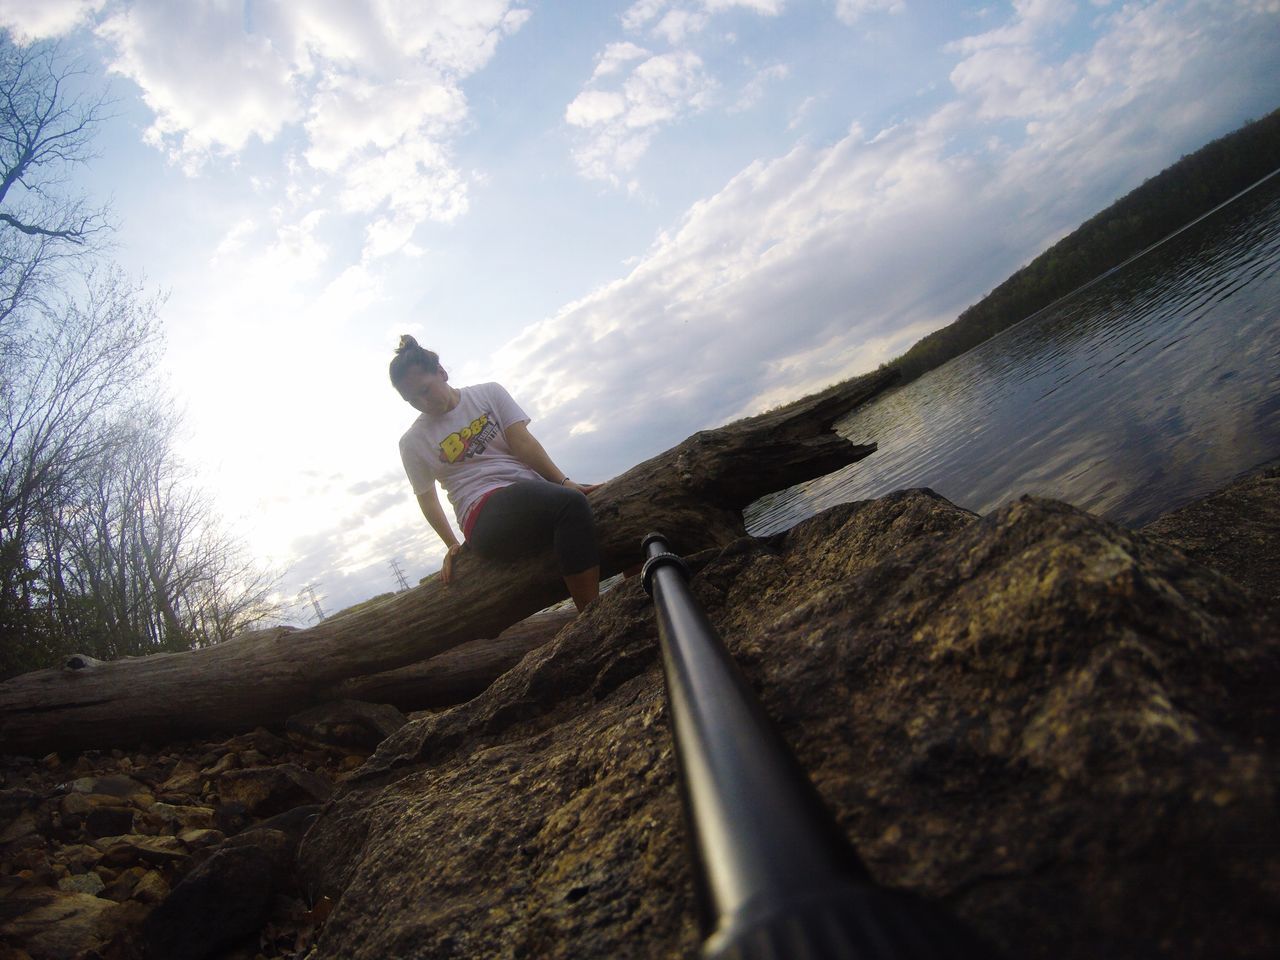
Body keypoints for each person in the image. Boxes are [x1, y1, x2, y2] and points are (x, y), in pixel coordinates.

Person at [390, 335, 602, 611]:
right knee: (571, 504)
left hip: (532, 495)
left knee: (608, 503)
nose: (422, 402)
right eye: (411, 399)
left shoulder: (488, 394)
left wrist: (564, 482)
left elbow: (522, 442)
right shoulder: (413, 441)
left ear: (441, 373)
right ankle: (593, 619)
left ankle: (641, 602)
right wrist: (452, 544)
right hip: (482, 513)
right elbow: (426, 498)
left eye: (425, 390)